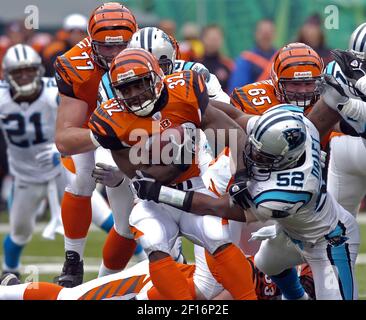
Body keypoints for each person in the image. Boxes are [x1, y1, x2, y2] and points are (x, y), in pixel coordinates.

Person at [131, 104, 360, 300]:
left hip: (329, 241)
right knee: (267, 264)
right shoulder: (297, 127)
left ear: (284, 160)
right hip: (290, 231)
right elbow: (236, 117)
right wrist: (191, 106)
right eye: (254, 147)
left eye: (263, 157)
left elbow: (217, 207)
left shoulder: (283, 193)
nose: (252, 156)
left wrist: (160, 193)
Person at [88, 47, 257, 300]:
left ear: (156, 77)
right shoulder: (109, 121)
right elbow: (143, 179)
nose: (134, 94)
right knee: (154, 241)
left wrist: (242, 175)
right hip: (153, 201)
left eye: (140, 84)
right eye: (126, 89)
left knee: (216, 236)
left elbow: (233, 133)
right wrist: (178, 161)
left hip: (195, 188)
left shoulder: (185, 91)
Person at [53, 2, 138, 287]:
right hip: (92, 128)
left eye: (121, 47)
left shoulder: (150, 55)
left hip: (137, 132)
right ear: (91, 43)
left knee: (128, 221)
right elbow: (64, 140)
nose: (114, 56)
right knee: (82, 178)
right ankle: (73, 261)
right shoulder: (74, 64)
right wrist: (104, 134)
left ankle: (104, 283)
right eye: (106, 47)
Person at [0, 44, 63, 277]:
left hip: (62, 170)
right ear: (7, 75)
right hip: (24, 175)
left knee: (99, 219)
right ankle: (9, 275)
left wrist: (66, 151)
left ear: (39, 70)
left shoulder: (53, 92)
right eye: (18, 72)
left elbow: (80, 119)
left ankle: (143, 262)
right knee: (20, 231)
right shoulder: (2, 97)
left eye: (29, 70)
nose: (24, 75)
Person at [0, 254, 314, 300]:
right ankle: (8, 291)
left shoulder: (311, 268)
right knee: (70, 298)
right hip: (158, 286)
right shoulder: (258, 261)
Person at [228, 19, 276, 92]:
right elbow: (237, 89)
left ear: (274, 34)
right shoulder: (246, 59)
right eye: (262, 33)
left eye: (269, 33)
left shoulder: (280, 58)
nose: (266, 36)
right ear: (255, 34)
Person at [199, 24, 234, 93]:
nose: (213, 42)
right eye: (211, 38)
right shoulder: (195, 63)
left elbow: (233, 88)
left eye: (217, 38)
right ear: (202, 39)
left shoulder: (228, 64)